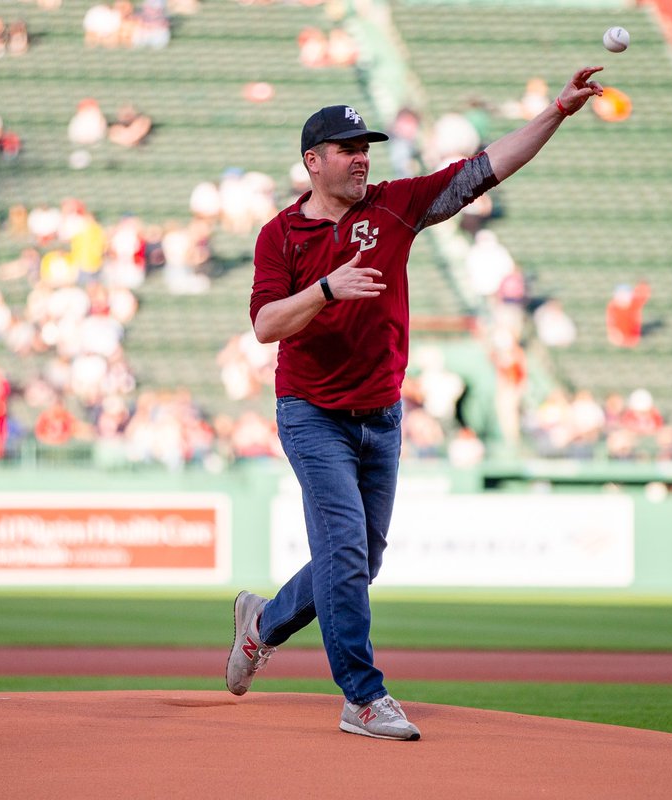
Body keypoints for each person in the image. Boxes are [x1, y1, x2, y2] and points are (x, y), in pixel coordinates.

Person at [226, 66, 605, 741]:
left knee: (361, 560)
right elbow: (265, 326)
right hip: (312, 413)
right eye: (347, 149)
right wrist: (327, 291)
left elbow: (487, 167)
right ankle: (363, 698)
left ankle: (263, 624)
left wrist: (556, 112)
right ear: (312, 162)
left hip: (382, 414)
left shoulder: (396, 203)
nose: (361, 158)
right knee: (344, 551)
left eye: (365, 146)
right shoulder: (279, 236)